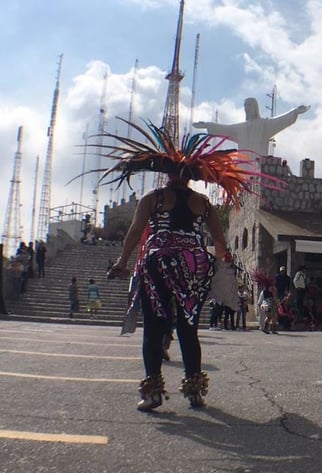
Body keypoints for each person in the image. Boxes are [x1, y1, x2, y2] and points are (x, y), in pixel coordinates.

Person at [97, 118, 270, 412]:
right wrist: (226, 270)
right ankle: (194, 391)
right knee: (188, 329)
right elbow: (220, 243)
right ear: (190, 177)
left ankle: (152, 391)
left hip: (158, 263)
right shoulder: (204, 204)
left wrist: (123, 263)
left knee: (154, 327)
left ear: (165, 173)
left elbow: (135, 232)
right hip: (195, 265)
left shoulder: (154, 198)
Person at [193, 98, 309, 157]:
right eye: (245, 105)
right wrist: (207, 125)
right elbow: (224, 129)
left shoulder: (264, 124)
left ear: (255, 107)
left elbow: (280, 121)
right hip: (243, 165)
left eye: (249, 105)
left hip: (258, 165)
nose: (246, 107)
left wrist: (295, 112)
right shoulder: (239, 128)